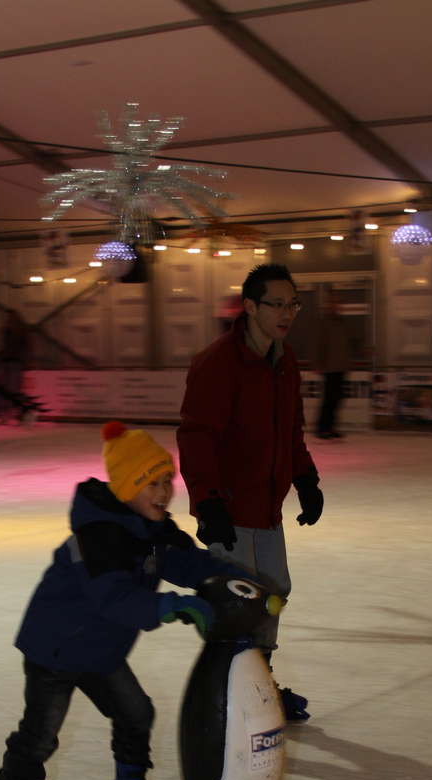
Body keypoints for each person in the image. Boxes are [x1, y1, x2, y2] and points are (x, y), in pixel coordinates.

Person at [0, 421, 241, 780]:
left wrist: (238, 581)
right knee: (39, 738)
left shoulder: (154, 530)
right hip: (56, 648)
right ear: (126, 488)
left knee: (136, 713)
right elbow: (113, 598)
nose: (164, 492)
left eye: (167, 481)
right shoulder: (98, 535)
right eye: (152, 483)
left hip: (99, 650)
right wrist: (174, 606)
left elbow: (190, 562)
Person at [177, 262, 324, 723]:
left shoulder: (285, 360)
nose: (287, 313)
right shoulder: (218, 363)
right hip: (229, 507)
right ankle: (228, 695)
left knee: (273, 593)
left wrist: (306, 478)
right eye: (276, 304)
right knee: (238, 603)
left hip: (267, 507)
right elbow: (197, 436)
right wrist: (207, 501)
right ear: (250, 307)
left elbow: (291, 429)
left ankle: (259, 686)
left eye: (292, 304)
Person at [314, 289, 353, 439]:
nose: (336, 305)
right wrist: (317, 362)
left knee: (337, 398)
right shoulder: (323, 322)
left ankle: (331, 427)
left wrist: (364, 350)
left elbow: (353, 339)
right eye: (333, 301)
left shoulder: (344, 322)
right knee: (329, 398)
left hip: (342, 365)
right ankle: (322, 428)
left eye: (338, 302)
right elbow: (318, 343)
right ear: (328, 304)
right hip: (330, 366)